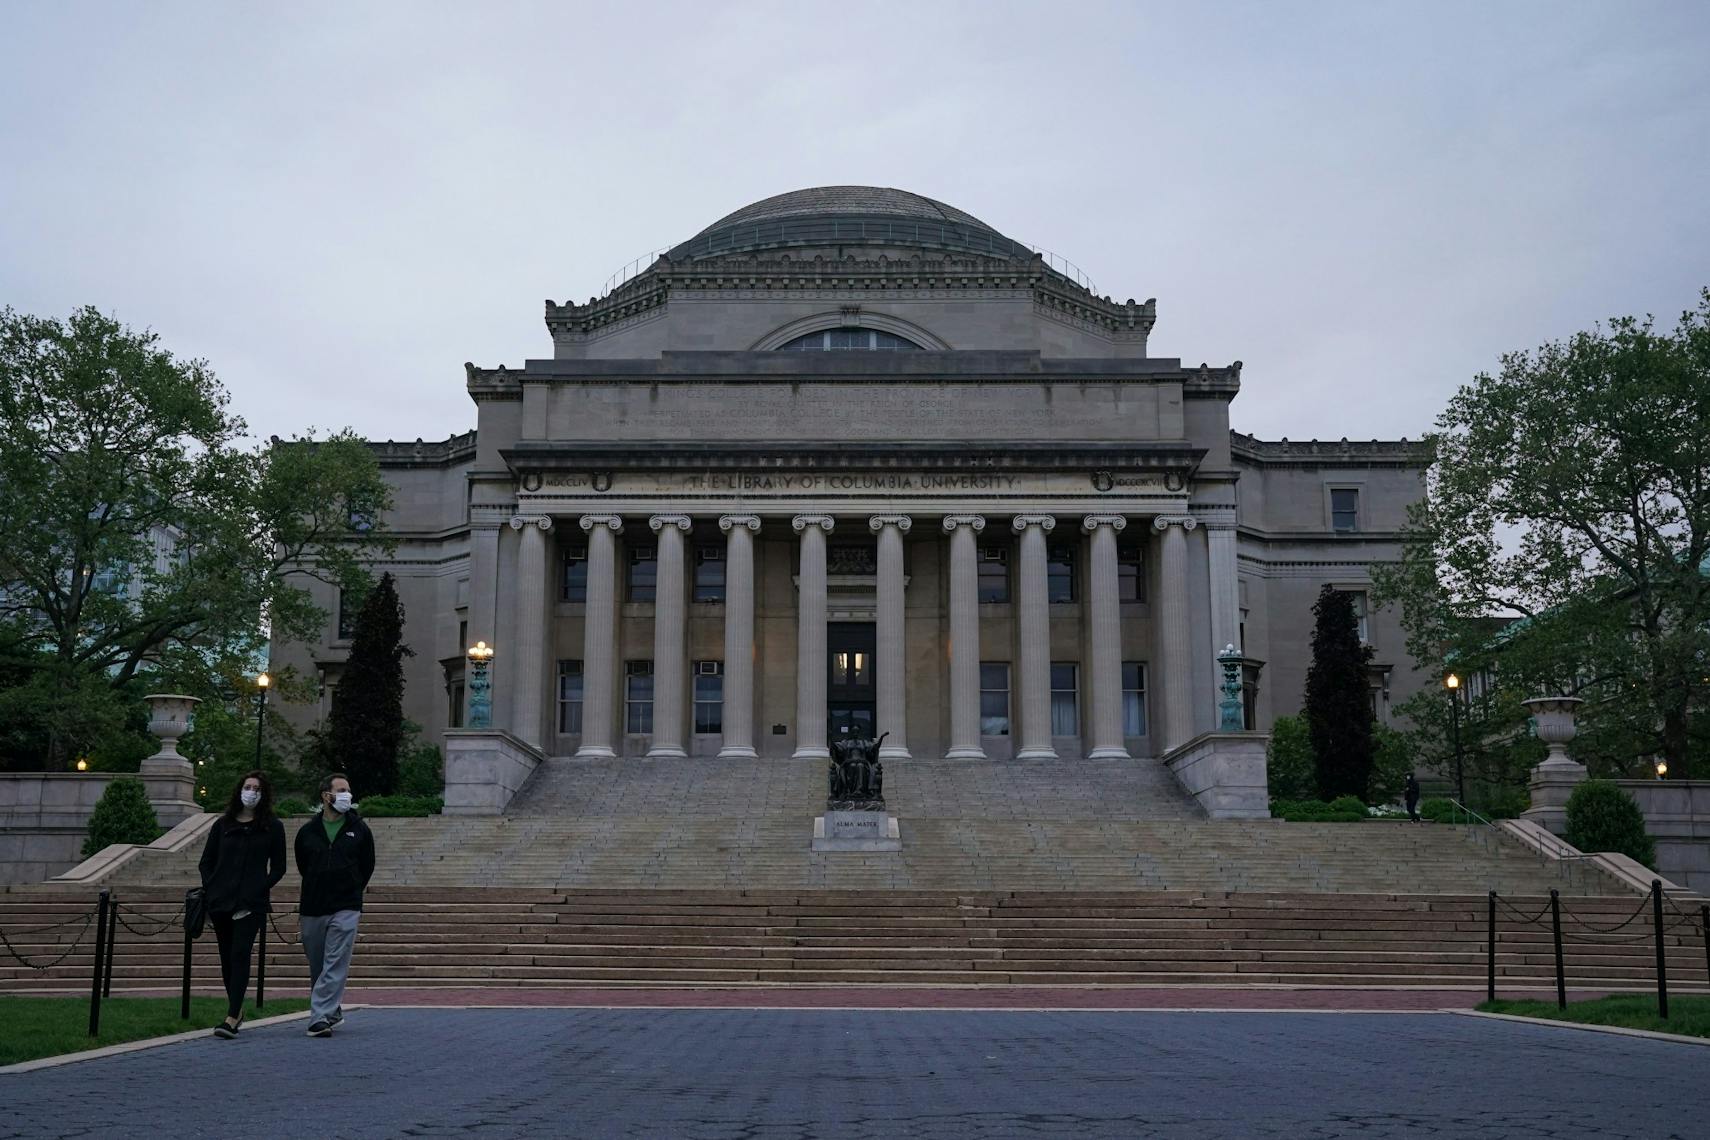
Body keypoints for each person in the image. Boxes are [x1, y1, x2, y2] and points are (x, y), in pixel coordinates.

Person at [197, 770, 287, 1039]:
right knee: (227, 957)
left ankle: (232, 1015)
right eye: (248, 787)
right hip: (221, 901)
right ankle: (235, 1008)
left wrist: (259, 888)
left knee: (240, 953)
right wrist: (213, 888)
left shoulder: (272, 826)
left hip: (251, 903)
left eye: (257, 789)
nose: (251, 792)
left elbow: (279, 868)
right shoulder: (222, 825)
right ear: (239, 790)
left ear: (264, 794)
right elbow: (206, 862)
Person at [295, 772, 375, 1038]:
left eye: (348, 790)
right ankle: (331, 1010)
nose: (346, 795)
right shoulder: (307, 832)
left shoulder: (360, 829)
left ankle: (318, 1017)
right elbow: (303, 865)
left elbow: (367, 865)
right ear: (326, 796)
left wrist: (352, 887)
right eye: (341, 790)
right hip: (313, 905)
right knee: (319, 964)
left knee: (336, 961)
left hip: (346, 904)